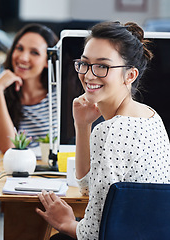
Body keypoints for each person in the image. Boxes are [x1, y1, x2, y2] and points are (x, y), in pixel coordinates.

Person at [36, 21, 170, 239]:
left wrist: (67, 222)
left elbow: (94, 233)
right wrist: (82, 125)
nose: (89, 75)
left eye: (102, 66)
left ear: (130, 75)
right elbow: (89, 187)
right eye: (85, 63)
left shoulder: (112, 130)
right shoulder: (152, 117)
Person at [0, 23, 58, 154]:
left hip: (50, 171)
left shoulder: (59, 96)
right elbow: (9, 148)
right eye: (19, 48)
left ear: (48, 61)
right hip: (13, 170)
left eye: (34, 52)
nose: (23, 58)